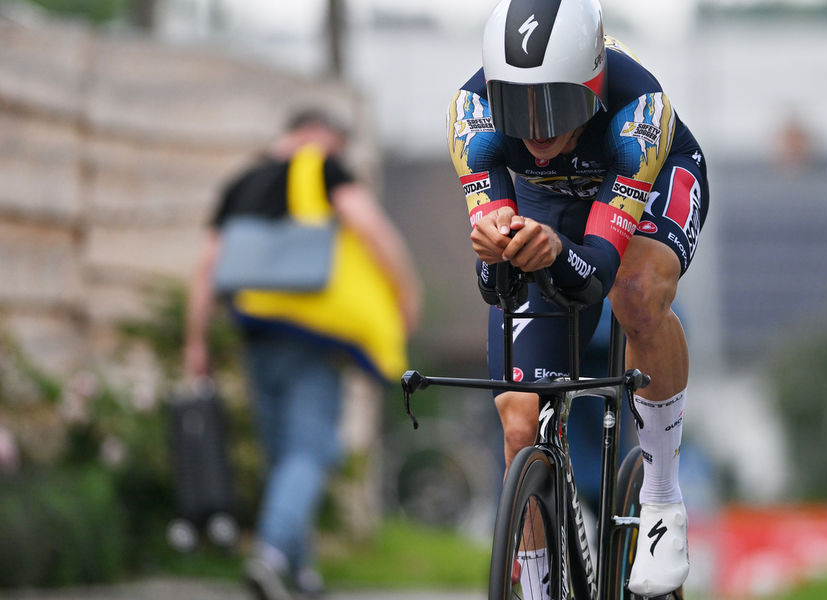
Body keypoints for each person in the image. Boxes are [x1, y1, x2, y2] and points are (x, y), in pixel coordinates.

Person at [446, 0, 708, 596]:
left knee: (636, 294)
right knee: (518, 416)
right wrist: (496, 251)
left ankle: (663, 497)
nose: (537, 133)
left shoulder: (639, 113)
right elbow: (497, 289)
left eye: (555, 107)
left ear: (590, 85)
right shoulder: (472, 115)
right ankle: (539, 584)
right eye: (520, 110)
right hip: (550, 204)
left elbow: (594, 275)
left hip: (643, 185)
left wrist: (553, 251)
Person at [184, 108, 422, 599]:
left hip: (256, 333)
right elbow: (370, 226)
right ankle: (271, 555)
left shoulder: (240, 184)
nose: (336, 155)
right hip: (312, 338)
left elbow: (208, 265)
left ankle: (299, 571)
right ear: (316, 136)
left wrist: (197, 341)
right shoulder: (322, 168)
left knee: (283, 457)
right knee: (308, 451)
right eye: (335, 145)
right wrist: (406, 294)